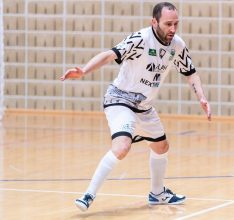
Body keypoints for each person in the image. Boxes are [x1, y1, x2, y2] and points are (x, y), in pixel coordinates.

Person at [61, 2, 211, 212]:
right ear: (154, 22)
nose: (173, 29)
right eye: (168, 24)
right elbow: (109, 55)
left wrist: (202, 98)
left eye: (176, 23)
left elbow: (190, 73)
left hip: (144, 106)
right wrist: (84, 70)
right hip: (120, 100)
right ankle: (88, 195)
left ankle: (157, 194)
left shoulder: (177, 45)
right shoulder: (140, 39)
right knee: (122, 147)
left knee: (161, 147)